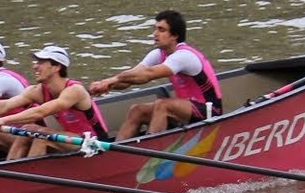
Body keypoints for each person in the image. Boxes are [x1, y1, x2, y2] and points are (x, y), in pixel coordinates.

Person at [0, 46, 108, 165]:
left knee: (41, 135)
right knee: (28, 129)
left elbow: (40, 112)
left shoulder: (75, 90)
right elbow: (5, 105)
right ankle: (10, 169)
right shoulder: (38, 90)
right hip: (69, 140)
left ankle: (27, 173)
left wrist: (2, 120)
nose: (35, 67)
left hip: (95, 143)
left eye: (41, 62)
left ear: (56, 67)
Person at [89, 10, 225, 139]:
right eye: (155, 29)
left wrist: (111, 80)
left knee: (163, 105)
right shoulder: (158, 54)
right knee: (137, 110)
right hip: (185, 109)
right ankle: (117, 151)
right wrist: (106, 85)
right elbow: (131, 77)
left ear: (175, 35)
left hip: (209, 111)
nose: (155, 33)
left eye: (161, 30)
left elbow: (147, 74)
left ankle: (152, 145)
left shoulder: (184, 56)